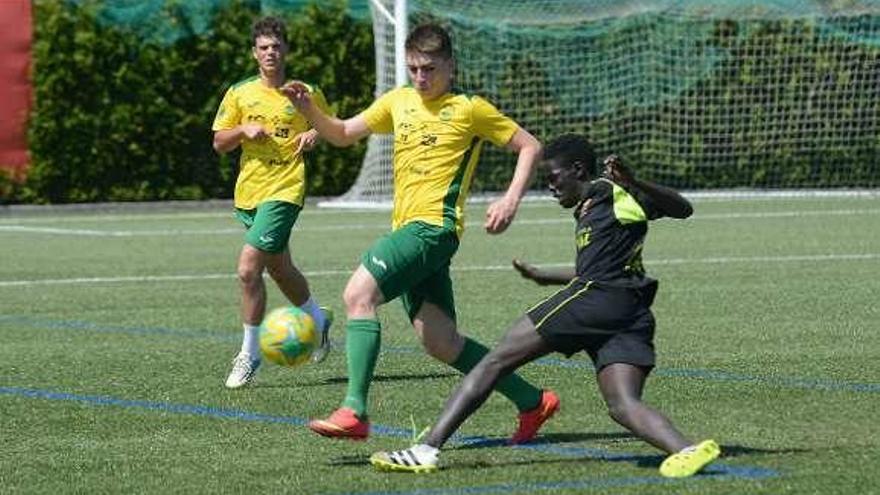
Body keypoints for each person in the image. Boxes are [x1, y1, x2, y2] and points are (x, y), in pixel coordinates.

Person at [369, 134, 721, 478]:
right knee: (622, 405)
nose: (550, 187)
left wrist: (634, 182)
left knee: (495, 361)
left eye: (553, 178)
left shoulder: (608, 192)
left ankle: (425, 450)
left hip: (597, 298)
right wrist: (543, 276)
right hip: (629, 310)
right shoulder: (594, 204)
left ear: (578, 170)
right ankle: (686, 449)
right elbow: (594, 267)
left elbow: (682, 208)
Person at [280, 23, 559, 441]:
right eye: (414, 69)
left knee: (358, 294)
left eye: (429, 68)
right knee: (441, 343)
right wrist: (310, 111)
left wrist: (510, 199)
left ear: (450, 65)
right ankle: (532, 401)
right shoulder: (399, 101)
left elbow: (529, 145)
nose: (421, 78)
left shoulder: (470, 108)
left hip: (434, 229)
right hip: (413, 232)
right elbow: (340, 133)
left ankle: (354, 410)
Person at [212, 16, 333, 389]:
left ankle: (249, 353)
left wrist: (314, 131)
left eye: (276, 46)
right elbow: (219, 142)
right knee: (279, 270)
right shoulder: (240, 93)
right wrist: (242, 130)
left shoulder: (304, 92)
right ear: (254, 53)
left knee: (249, 269)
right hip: (250, 192)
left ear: (287, 51)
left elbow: (331, 126)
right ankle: (316, 320)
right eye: (263, 47)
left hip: (285, 188)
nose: (270, 53)